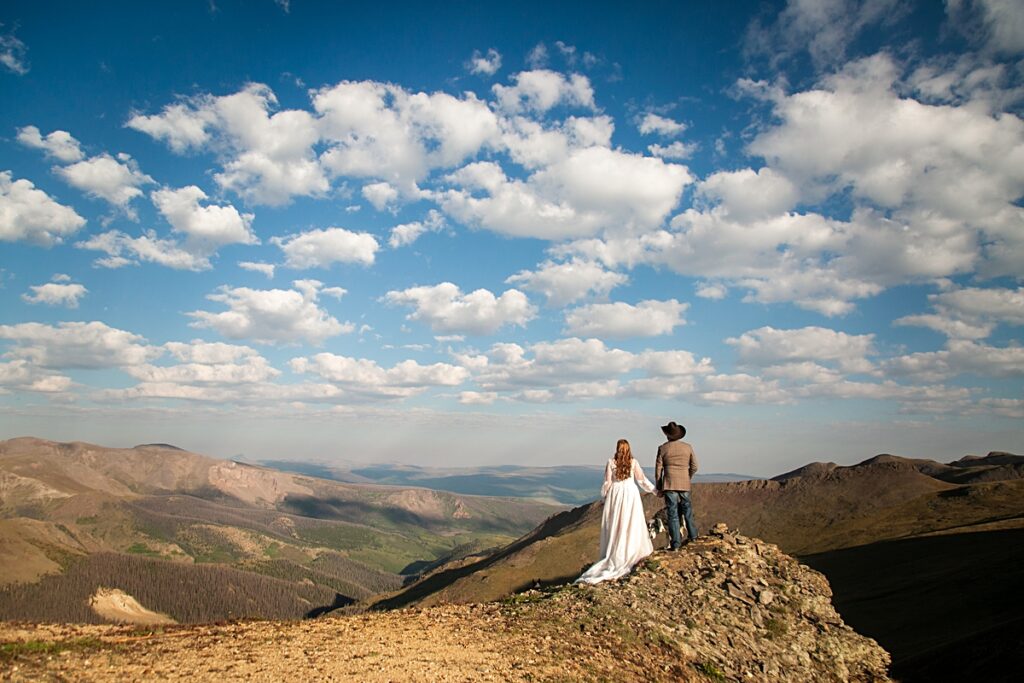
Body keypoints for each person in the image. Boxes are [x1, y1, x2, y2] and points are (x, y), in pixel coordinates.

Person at [576, 439, 658, 584]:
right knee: (630, 522)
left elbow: (607, 482)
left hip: (616, 494)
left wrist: (605, 496)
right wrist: (655, 491)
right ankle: (629, 550)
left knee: (616, 523)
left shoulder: (611, 462)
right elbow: (642, 480)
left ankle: (615, 552)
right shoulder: (633, 463)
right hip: (630, 493)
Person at [655, 421, 699, 550]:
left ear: (668, 435)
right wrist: (687, 476)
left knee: (673, 514)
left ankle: (676, 544)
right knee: (687, 511)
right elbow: (695, 466)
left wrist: (659, 486)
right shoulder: (688, 447)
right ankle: (693, 536)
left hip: (669, 484)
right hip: (684, 483)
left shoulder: (663, 448)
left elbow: (659, 470)